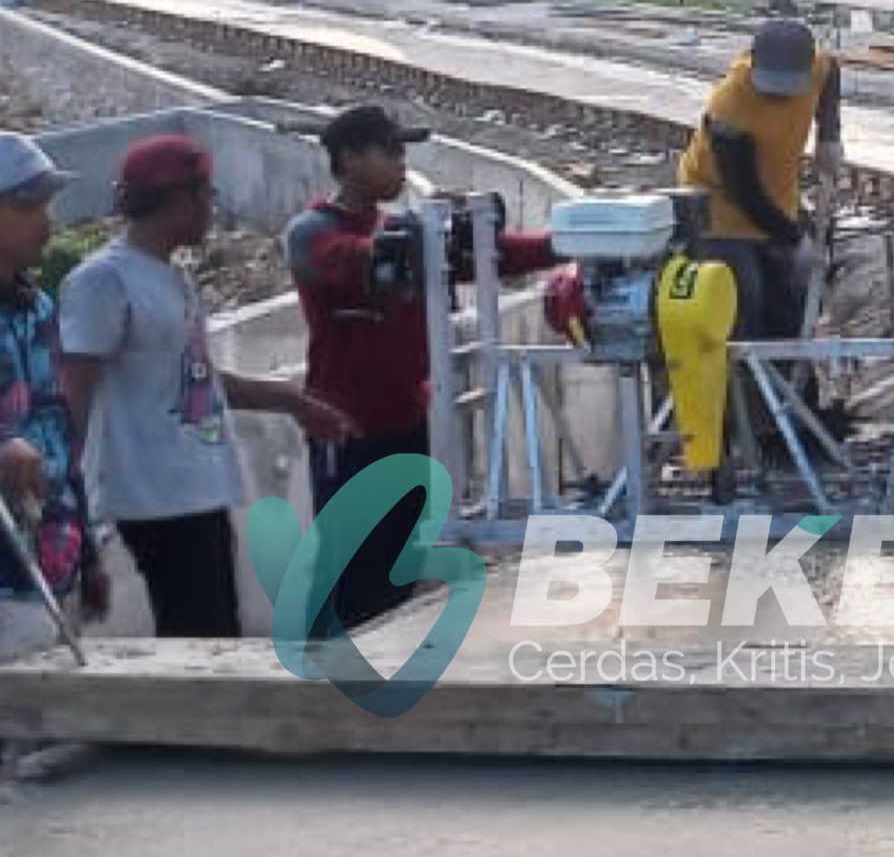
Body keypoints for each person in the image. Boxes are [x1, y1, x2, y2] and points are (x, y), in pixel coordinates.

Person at [58, 135, 350, 636]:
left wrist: (293, 404)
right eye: (205, 196)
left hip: (199, 492)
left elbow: (199, 379)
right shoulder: (104, 282)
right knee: (197, 639)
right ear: (175, 200)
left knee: (214, 635)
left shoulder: (172, 278)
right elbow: (72, 395)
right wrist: (72, 515)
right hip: (152, 499)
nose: (211, 210)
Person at [284, 105, 559, 636]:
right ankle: (324, 677)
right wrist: (431, 228)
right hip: (348, 427)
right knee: (346, 570)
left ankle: (373, 674)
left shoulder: (400, 232)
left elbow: (494, 256)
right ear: (349, 160)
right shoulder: (313, 233)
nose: (401, 163)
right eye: (390, 152)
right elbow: (357, 260)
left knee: (393, 572)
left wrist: (568, 242)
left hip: (407, 421)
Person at [0, 136, 108, 665]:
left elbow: (59, 433)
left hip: (50, 566)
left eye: (48, 202)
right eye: (27, 205)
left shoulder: (39, 309)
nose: (46, 220)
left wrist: (89, 556)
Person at [676, 17, 846, 340]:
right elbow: (745, 191)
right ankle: (743, 383)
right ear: (753, 62)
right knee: (744, 301)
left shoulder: (817, 68)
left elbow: (831, 73)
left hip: (777, 200)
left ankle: (794, 386)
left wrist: (829, 135)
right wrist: (797, 239)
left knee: (793, 308)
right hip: (720, 211)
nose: (779, 98)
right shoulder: (729, 105)